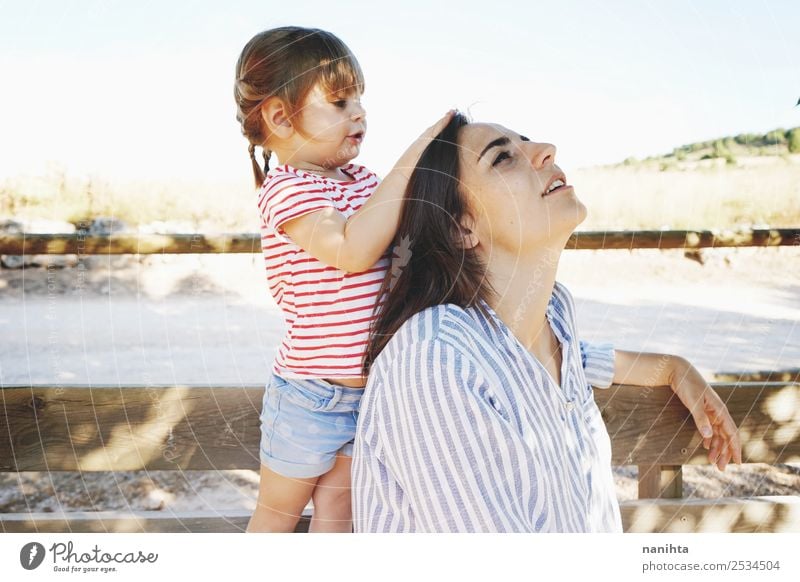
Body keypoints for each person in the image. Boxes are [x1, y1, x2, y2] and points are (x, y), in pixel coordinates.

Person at [352, 112, 743, 533]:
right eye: (502, 159)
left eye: (527, 142)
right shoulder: (433, 363)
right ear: (461, 227)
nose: (545, 150)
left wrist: (671, 368)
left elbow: (573, 360)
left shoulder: (553, 321)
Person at [233, 26, 452, 532]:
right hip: (311, 395)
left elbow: (400, 252)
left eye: (359, 98)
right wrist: (414, 158)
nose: (359, 112)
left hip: (372, 392)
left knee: (342, 515)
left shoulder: (366, 183)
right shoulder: (287, 191)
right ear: (280, 117)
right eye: (338, 100)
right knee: (276, 518)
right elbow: (351, 251)